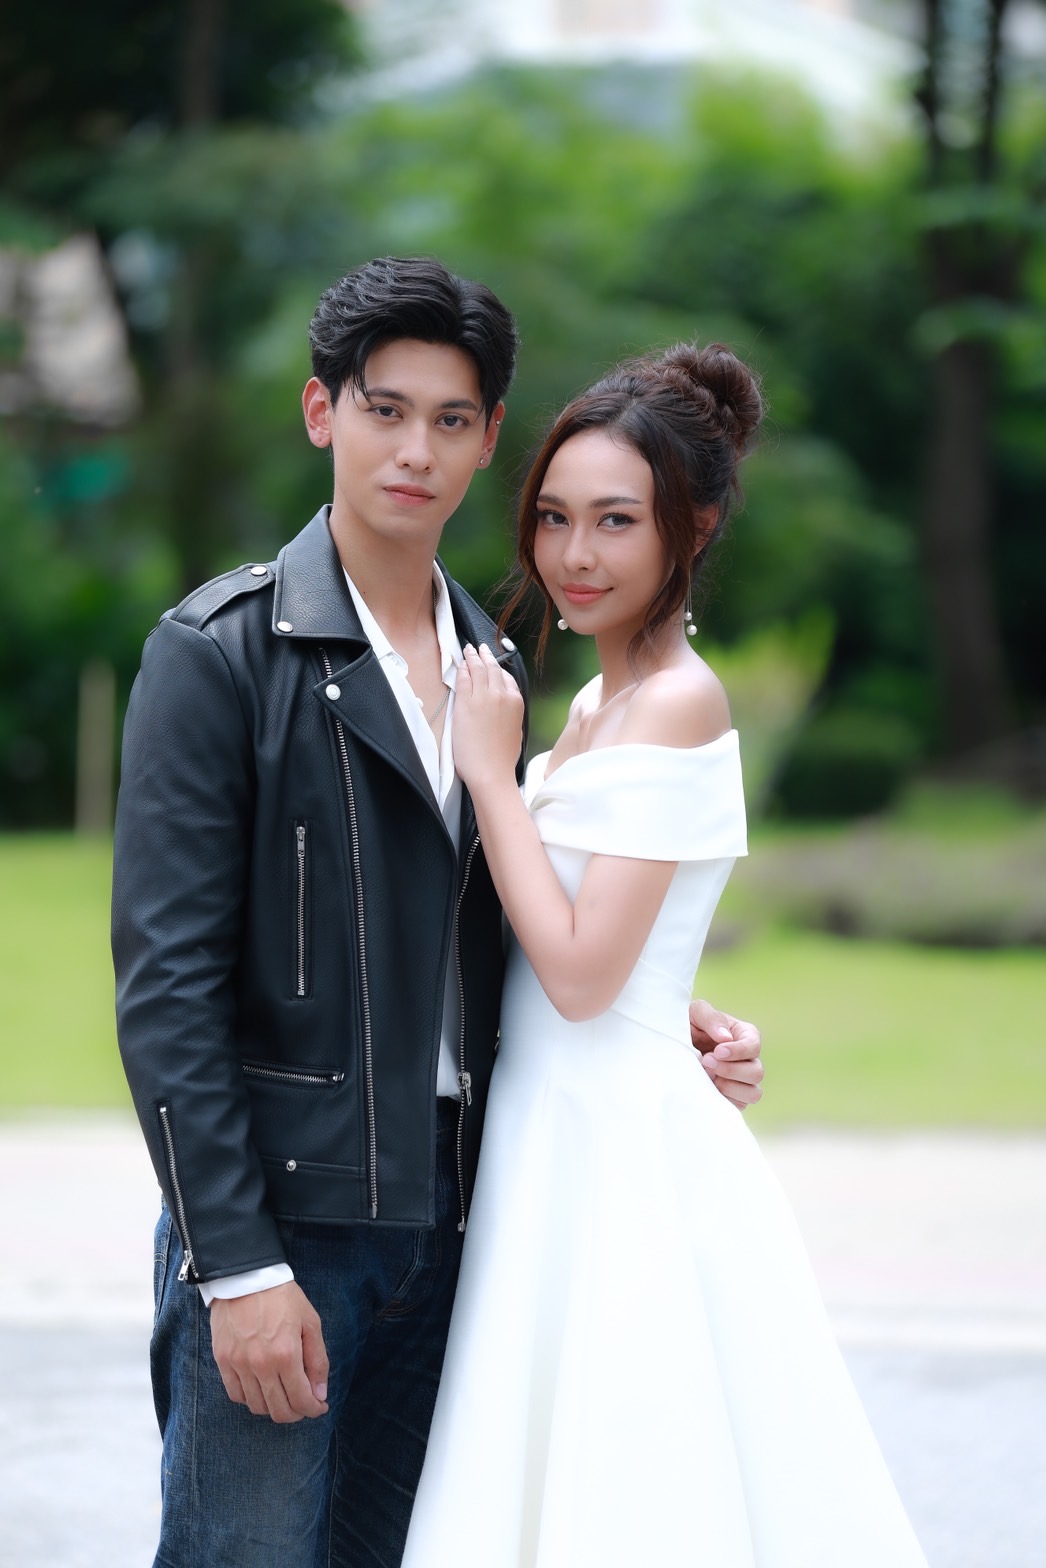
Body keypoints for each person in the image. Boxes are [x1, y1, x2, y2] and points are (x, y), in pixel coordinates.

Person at [111, 256, 764, 1568]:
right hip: (289, 1228)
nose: (415, 449)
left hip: (467, 1224)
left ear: (485, 443)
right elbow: (166, 989)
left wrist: (660, 1011)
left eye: (450, 420)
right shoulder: (220, 652)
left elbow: (477, 920)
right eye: (385, 409)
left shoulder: (495, 673)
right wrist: (237, 1267)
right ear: (322, 413)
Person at [400, 343, 930, 1567]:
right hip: (556, 1120)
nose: (572, 554)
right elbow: (603, 939)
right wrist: (681, 1002)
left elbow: (582, 976)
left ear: (691, 526)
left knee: (631, 1480)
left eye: (614, 520)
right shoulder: (594, 704)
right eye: (552, 517)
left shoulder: (679, 700)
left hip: (614, 1144)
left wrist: (489, 774)